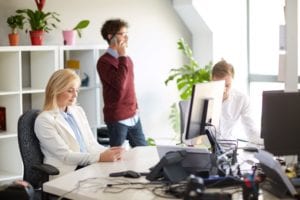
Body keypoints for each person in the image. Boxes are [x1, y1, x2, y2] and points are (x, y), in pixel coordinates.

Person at [34, 69, 124, 179]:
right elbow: (66, 156)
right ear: (56, 90)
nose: (75, 95)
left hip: (87, 166)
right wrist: (100, 157)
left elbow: (91, 144)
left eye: (77, 90)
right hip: (67, 172)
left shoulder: (77, 111)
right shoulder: (44, 120)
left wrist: (110, 152)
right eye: (70, 91)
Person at [97, 18, 147, 147]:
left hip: (133, 115)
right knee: (117, 158)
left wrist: (135, 106)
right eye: (122, 34)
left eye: (126, 34)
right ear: (110, 37)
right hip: (117, 118)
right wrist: (122, 56)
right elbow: (120, 84)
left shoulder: (126, 59)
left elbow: (130, 86)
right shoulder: (104, 62)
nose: (126, 38)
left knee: (145, 153)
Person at [211, 59, 261, 144]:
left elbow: (252, 132)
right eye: (219, 85)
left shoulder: (241, 99)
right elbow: (188, 138)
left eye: (227, 85)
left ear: (232, 80)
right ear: (212, 79)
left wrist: (271, 141)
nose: (224, 90)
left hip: (230, 148)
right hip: (206, 150)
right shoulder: (200, 98)